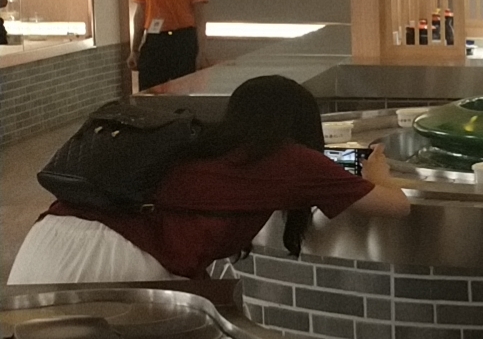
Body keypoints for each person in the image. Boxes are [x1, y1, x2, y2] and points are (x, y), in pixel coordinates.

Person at [8, 76, 412, 285]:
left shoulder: (200, 143)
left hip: (45, 243)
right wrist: (379, 173)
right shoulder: (289, 158)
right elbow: (397, 207)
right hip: (113, 263)